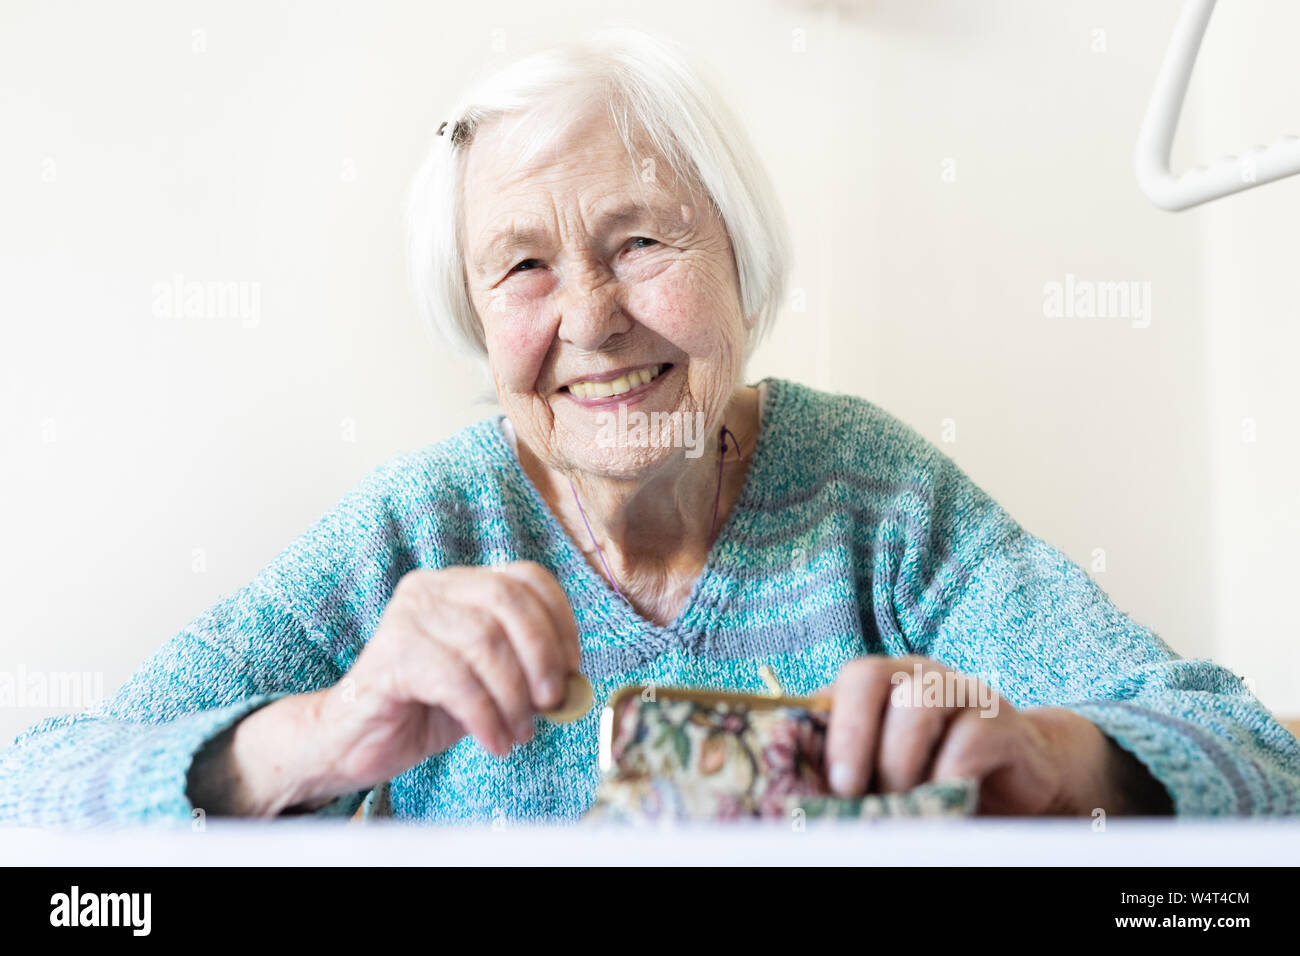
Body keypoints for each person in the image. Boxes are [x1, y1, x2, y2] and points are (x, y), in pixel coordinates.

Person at [3, 28, 1297, 826]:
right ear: (472, 315)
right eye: (521, 269)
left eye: (639, 240)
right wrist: (322, 732)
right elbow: (35, 788)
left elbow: (1254, 753)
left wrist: (1040, 751)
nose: (593, 316)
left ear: (742, 260)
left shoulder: (878, 497)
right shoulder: (418, 529)